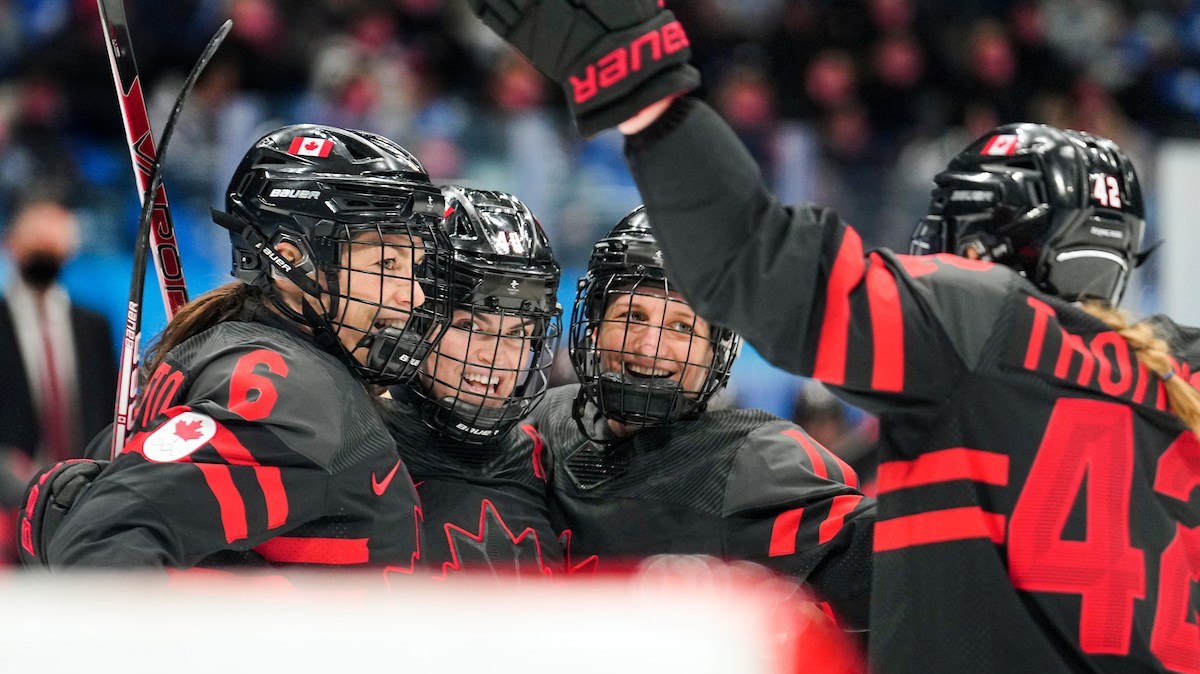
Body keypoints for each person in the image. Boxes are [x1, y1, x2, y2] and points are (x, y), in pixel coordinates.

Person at [468, 4, 1200, 673]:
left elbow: (748, 253)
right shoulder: (1182, 370)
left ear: (980, 252)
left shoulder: (979, 326)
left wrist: (639, 77)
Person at [39, 124, 454, 570]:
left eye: (414, 266)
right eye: (386, 263)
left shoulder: (230, 349)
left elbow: (62, 511)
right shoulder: (291, 392)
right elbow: (101, 540)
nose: (412, 296)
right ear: (291, 261)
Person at [526, 207, 874, 630]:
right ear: (594, 328)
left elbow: (897, 570)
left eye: (682, 327)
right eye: (633, 316)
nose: (651, 345)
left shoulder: (756, 459)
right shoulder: (542, 420)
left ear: (715, 352)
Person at [382, 185, 565, 577]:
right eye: (470, 325)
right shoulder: (354, 440)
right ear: (416, 322)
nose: (495, 356)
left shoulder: (546, 459)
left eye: (518, 333)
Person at [0, 198, 117, 565]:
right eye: (38, 245)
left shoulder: (92, 325)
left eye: (55, 246)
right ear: (12, 244)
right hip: (8, 500)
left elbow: (106, 404)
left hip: (80, 495)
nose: (46, 255)